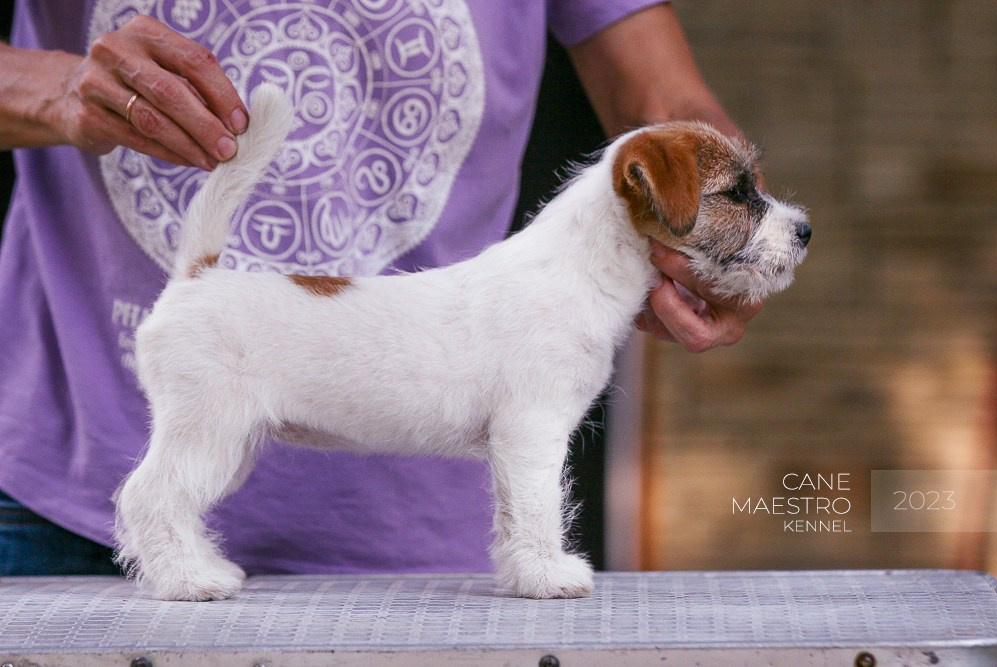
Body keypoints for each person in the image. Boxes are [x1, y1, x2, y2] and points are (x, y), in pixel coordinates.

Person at [0, 1, 761, 576]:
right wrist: (59, 86)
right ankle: (159, 532)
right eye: (738, 198)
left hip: (428, 542)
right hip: (61, 486)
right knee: (200, 451)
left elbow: (661, 110)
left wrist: (728, 227)